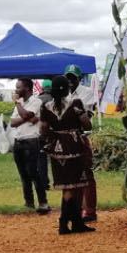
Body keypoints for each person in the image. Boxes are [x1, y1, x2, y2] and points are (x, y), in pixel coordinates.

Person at [41, 76, 95, 234]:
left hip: (56, 148)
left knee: (67, 186)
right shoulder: (75, 103)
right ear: (67, 89)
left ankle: (75, 222)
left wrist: (54, 136)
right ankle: (64, 223)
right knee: (73, 187)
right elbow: (87, 124)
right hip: (73, 146)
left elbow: (43, 129)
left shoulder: (46, 106)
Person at [64, 65, 100, 222]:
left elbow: (83, 117)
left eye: (73, 78)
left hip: (79, 137)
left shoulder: (87, 92)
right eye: (68, 78)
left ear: (79, 78)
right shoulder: (63, 93)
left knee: (86, 174)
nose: (70, 81)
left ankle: (90, 212)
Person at [10, 78, 51, 214]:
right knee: (23, 174)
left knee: (33, 172)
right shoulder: (20, 103)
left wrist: (18, 105)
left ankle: (43, 202)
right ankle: (29, 202)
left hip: (31, 141)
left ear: (27, 88)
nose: (16, 90)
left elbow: (28, 114)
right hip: (18, 141)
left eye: (18, 87)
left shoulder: (36, 101)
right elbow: (12, 122)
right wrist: (27, 118)